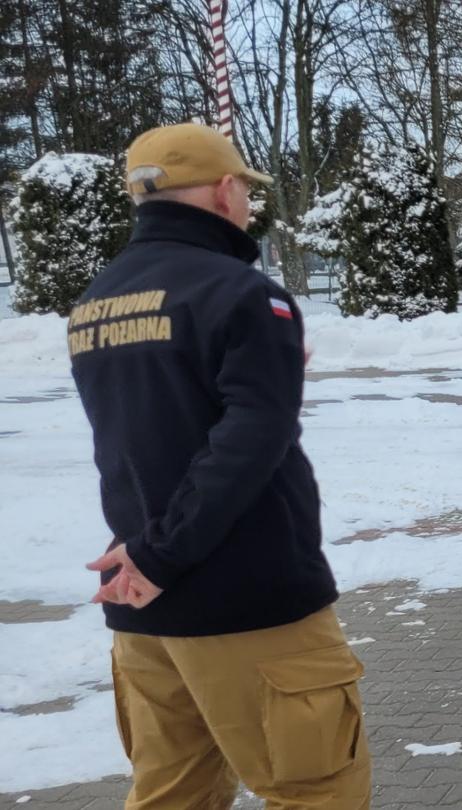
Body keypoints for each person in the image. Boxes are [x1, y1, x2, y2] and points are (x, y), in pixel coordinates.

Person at [69, 122, 371, 809]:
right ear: (226, 190)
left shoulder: (97, 302)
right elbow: (248, 440)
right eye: (246, 192)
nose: (248, 205)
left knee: (173, 794)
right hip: (246, 597)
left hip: (142, 606)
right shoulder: (241, 292)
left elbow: (157, 426)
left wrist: (148, 556)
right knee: (316, 790)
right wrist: (164, 554)